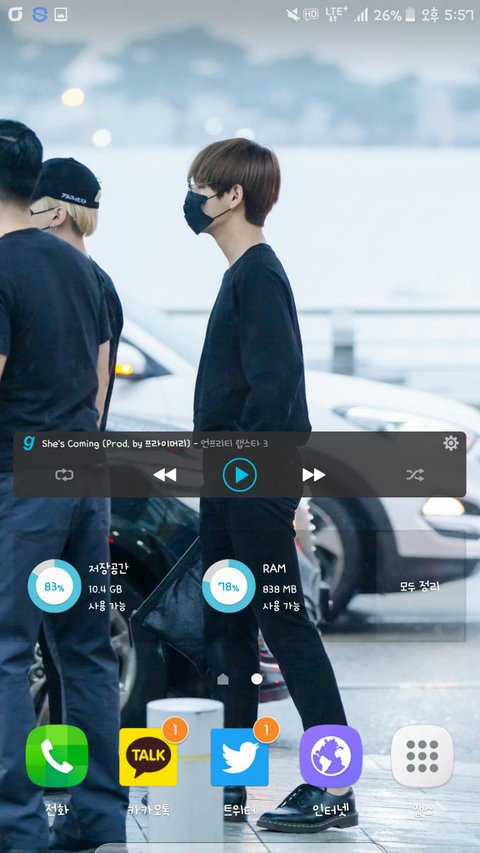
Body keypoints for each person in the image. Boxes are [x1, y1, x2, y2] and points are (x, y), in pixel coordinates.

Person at [184, 137, 358, 833]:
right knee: (227, 630)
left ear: (233, 196)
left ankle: (334, 786)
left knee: (284, 626)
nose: (192, 200)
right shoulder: (242, 275)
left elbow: (278, 390)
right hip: (232, 478)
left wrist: (253, 484)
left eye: (201, 189)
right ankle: (231, 784)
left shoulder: (258, 275)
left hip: (250, 480)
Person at [0, 120, 128, 853]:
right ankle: (99, 819)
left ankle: (16, 827)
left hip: (23, 480)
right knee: (85, 651)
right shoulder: (85, 272)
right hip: (84, 469)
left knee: (6, 651)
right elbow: (98, 385)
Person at [30, 157, 123, 431]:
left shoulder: (89, 286)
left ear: (56, 215)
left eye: (28, 209)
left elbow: (97, 386)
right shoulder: (92, 281)